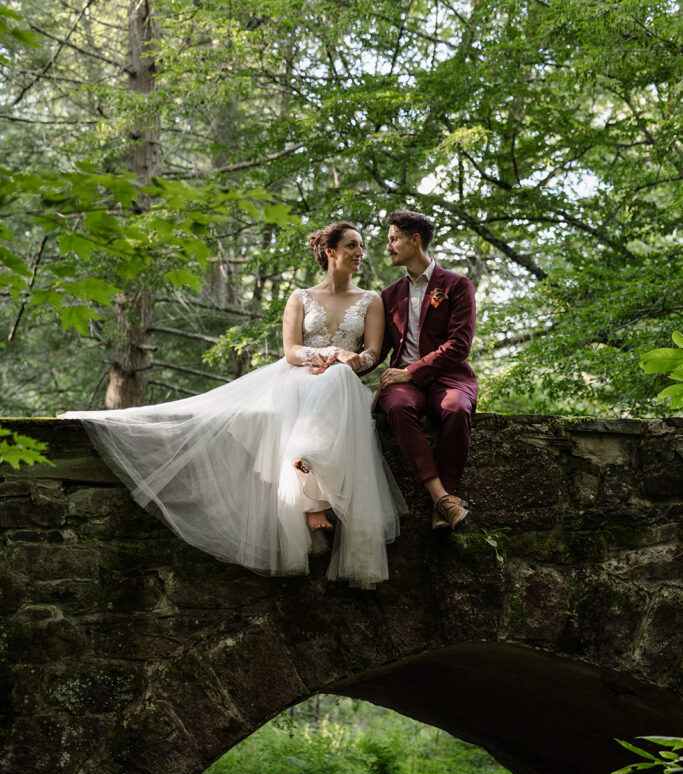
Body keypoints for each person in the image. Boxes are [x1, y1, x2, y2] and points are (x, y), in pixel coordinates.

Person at [60, 222, 406, 588]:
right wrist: (322, 352)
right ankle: (311, 494)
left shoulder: (371, 299)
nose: (360, 253)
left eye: (362, 246)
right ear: (331, 251)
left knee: (336, 378)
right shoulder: (300, 297)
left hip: (342, 383)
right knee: (238, 410)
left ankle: (310, 481)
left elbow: (372, 351)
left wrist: (349, 361)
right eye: (352, 245)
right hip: (301, 377)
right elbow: (290, 352)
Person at [376, 209, 477, 532]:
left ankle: (445, 499)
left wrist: (413, 371)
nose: (388, 247)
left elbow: (459, 345)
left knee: (457, 410)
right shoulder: (389, 295)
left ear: (414, 240)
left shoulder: (457, 285)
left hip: (449, 377)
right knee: (397, 407)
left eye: (393, 239)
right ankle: (443, 499)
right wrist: (339, 364)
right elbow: (377, 351)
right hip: (403, 383)